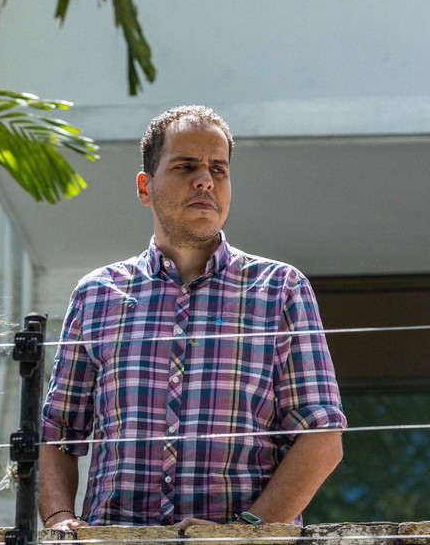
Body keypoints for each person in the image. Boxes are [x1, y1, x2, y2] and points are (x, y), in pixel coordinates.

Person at [39, 105, 346, 528]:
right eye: (185, 166)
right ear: (145, 187)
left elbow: (321, 438)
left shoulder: (281, 290)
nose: (205, 180)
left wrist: (243, 534)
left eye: (218, 170)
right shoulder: (96, 294)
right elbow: (56, 431)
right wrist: (59, 520)